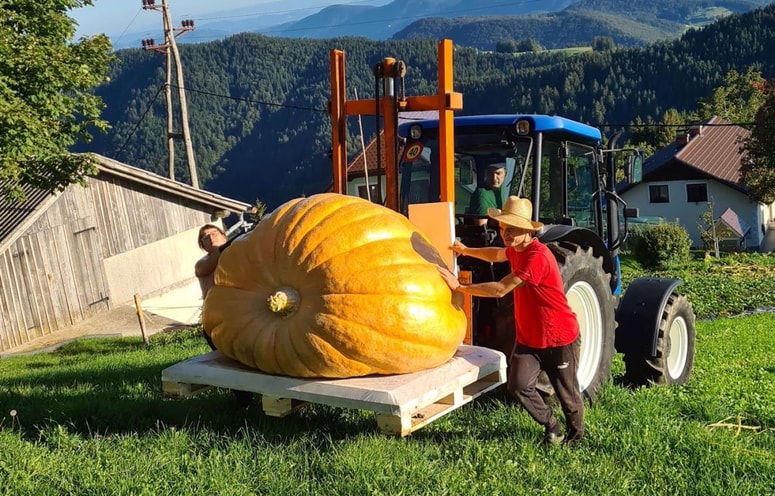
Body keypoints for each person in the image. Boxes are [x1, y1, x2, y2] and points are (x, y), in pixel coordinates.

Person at [438, 196, 584, 446]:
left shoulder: (537, 257)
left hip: (558, 337)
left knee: (567, 395)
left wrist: (460, 287)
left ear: (528, 231)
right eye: (503, 228)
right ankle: (552, 425)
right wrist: (466, 250)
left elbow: (500, 289)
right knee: (517, 385)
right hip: (529, 338)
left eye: (512, 230)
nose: (504, 234)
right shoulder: (517, 249)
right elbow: (496, 254)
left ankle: (576, 437)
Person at [195, 223, 253, 408]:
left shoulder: (238, 259)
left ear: (223, 235)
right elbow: (215, 258)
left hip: (243, 319)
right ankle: (243, 401)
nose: (211, 238)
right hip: (216, 323)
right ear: (203, 246)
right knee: (230, 362)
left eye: (214, 233)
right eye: (205, 237)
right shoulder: (202, 264)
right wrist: (237, 239)